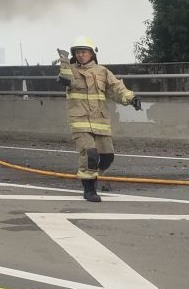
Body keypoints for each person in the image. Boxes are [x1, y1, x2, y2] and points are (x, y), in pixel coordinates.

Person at [57, 37, 141, 202]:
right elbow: (65, 80)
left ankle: (93, 175)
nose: (80, 55)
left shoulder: (102, 71)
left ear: (91, 53)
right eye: (77, 52)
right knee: (90, 155)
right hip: (80, 121)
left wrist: (131, 98)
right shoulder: (70, 70)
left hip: (100, 120)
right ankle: (89, 190)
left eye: (84, 51)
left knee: (108, 156)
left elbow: (117, 88)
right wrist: (64, 62)